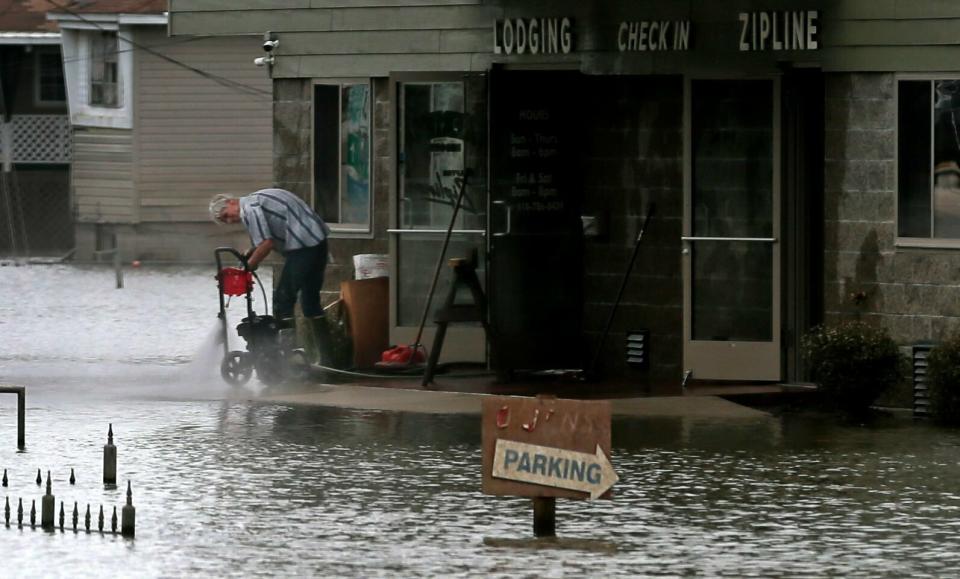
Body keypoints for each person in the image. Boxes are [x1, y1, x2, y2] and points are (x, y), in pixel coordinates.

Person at [209, 188, 331, 358]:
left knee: (283, 300)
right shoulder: (257, 200)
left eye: (227, 216)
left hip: (303, 245)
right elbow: (266, 239)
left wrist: (247, 268)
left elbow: (266, 244)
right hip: (317, 240)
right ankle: (326, 357)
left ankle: (291, 358)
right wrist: (251, 254)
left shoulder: (249, 208)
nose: (230, 221)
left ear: (231, 202)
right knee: (310, 302)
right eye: (225, 221)